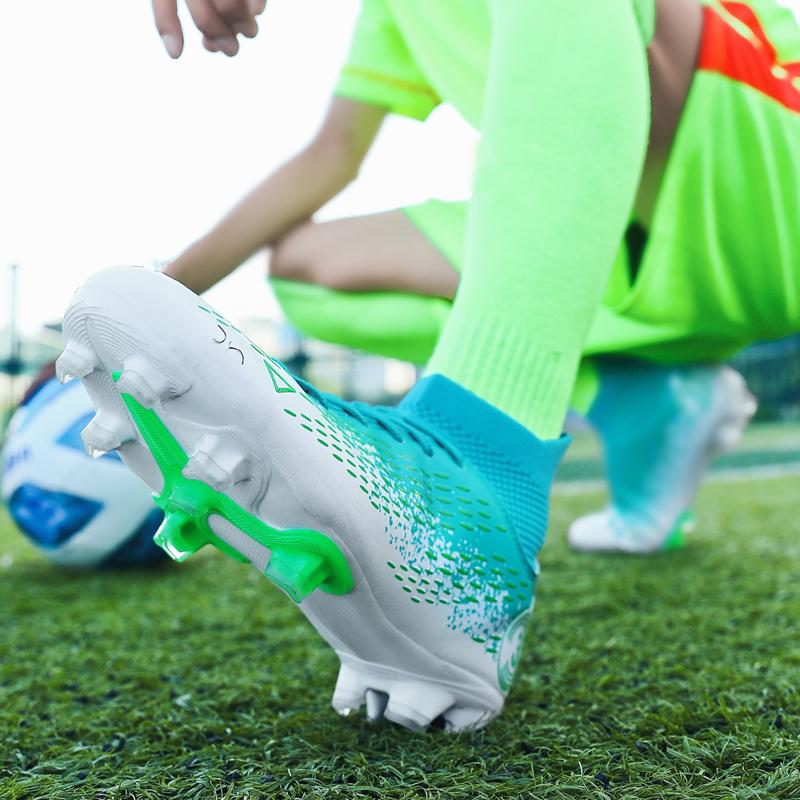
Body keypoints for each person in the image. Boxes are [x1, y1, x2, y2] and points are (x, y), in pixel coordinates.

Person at [59, 0, 800, 730]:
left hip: (768, 194)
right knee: (307, 267)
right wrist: (152, 308)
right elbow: (331, 154)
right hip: (614, 252)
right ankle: (649, 397)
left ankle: (479, 481)